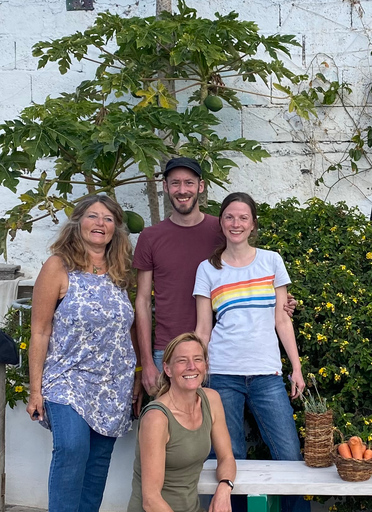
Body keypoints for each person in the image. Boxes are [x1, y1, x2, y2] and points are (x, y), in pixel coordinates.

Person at [134, 157, 296, 396]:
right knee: (169, 428)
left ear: (200, 187)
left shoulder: (222, 229)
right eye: (175, 183)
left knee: (216, 430)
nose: (182, 190)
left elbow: (248, 273)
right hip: (167, 350)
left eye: (189, 183)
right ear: (165, 187)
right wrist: (145, 362)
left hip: (216, 356)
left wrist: (279, 300)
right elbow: (143, 301)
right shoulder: (150, 237)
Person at [26, 195, 141, 512]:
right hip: (68, 381)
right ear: (78, 222)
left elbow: (127, 327)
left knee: (97, 463)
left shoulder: (120, 272)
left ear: (116, 229)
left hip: (113, 386)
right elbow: (40, 330)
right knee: (72, 449)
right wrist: (35, 390)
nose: (100, 224)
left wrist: (138, 377)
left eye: (108, 219)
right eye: (93, 216)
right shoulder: (58, 266)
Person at [194, 192, 308, 512]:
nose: (236, 223)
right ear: (221, 222)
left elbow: (282, 319)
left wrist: (295, 368)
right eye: (230, 217)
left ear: (253, 223)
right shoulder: (208, 269)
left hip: (267, 373)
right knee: (229, 458)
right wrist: (201, 372)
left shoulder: (271, 261)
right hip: (223, 373)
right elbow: (204, 328)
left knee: (288, 455)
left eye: (243, 217)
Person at [128, 332, 236, 512]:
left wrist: (224, 488)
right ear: (168, 369)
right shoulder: (157, 417)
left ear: (205, 365)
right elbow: (151, 500)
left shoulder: (211, 400)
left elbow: (226, 458)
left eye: (197, 359)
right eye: (182, 361)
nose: (191, 366)